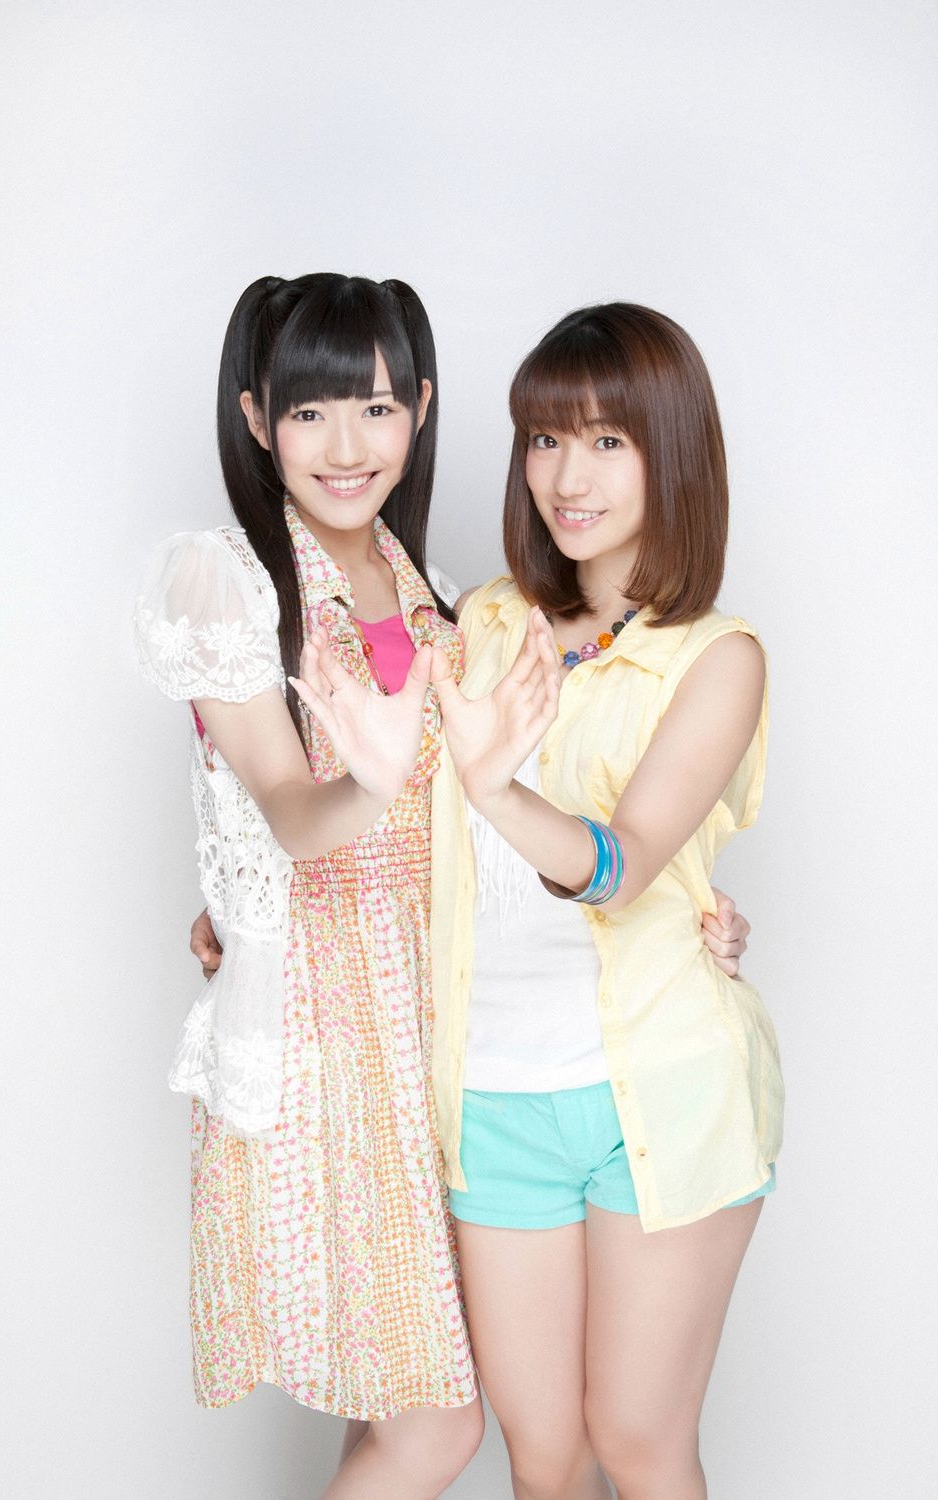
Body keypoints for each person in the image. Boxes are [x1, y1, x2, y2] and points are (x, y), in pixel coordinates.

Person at [419, 302, 785, 1500]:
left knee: (635, 1441)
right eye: (543, 439)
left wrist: (497, 789)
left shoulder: (715, 657)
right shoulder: (481, 623)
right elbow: (382, 815)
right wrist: (246, 913)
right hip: (491, 1095)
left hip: (659, 1092)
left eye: (606, 442)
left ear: (669, 450)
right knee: (545, 1455)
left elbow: (621, 866)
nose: (566, 478)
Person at [134, 273, 483, 1500]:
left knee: (395, 1409)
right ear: (255, 417)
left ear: (420, 409)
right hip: (332, 1045)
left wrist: (668, 893)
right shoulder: (224, 581)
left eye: (377, 409)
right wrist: (371, 784)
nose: (346, 447)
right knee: (436, 1429)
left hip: (436, 1028)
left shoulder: (429, 591)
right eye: (310, 412)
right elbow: (290, 812)